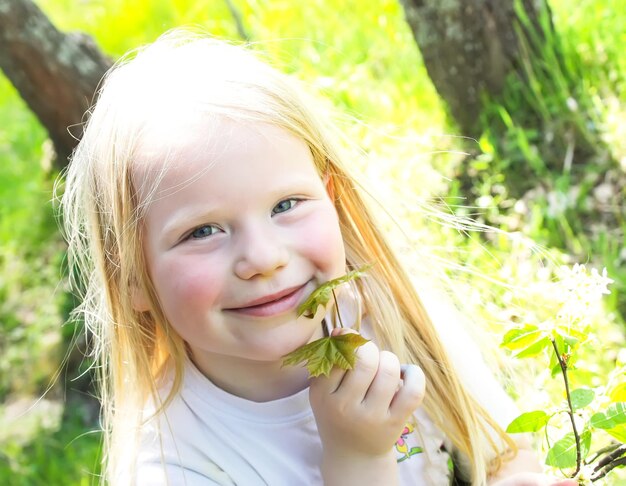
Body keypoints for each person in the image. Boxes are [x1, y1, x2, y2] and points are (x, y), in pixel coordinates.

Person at [59, 30, 577, 486]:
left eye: (286, 205)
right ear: (130, 278)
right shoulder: (178, 468)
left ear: (331, 199)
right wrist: (358, 459)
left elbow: (506, 451)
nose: (263, 259)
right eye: (203, 231)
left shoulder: (391, 314)